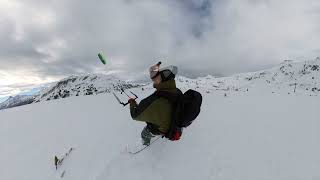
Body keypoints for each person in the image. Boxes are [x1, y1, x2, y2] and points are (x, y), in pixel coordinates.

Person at [128, 62, 178, 145]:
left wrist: (132, 103)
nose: (153, 79)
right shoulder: (176, 91)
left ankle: (146, 147)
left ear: (164, 76)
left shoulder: (154, 101)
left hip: (162, 129)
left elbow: (135, 115)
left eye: (156, 76)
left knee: (144, 134)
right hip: (173, 122)